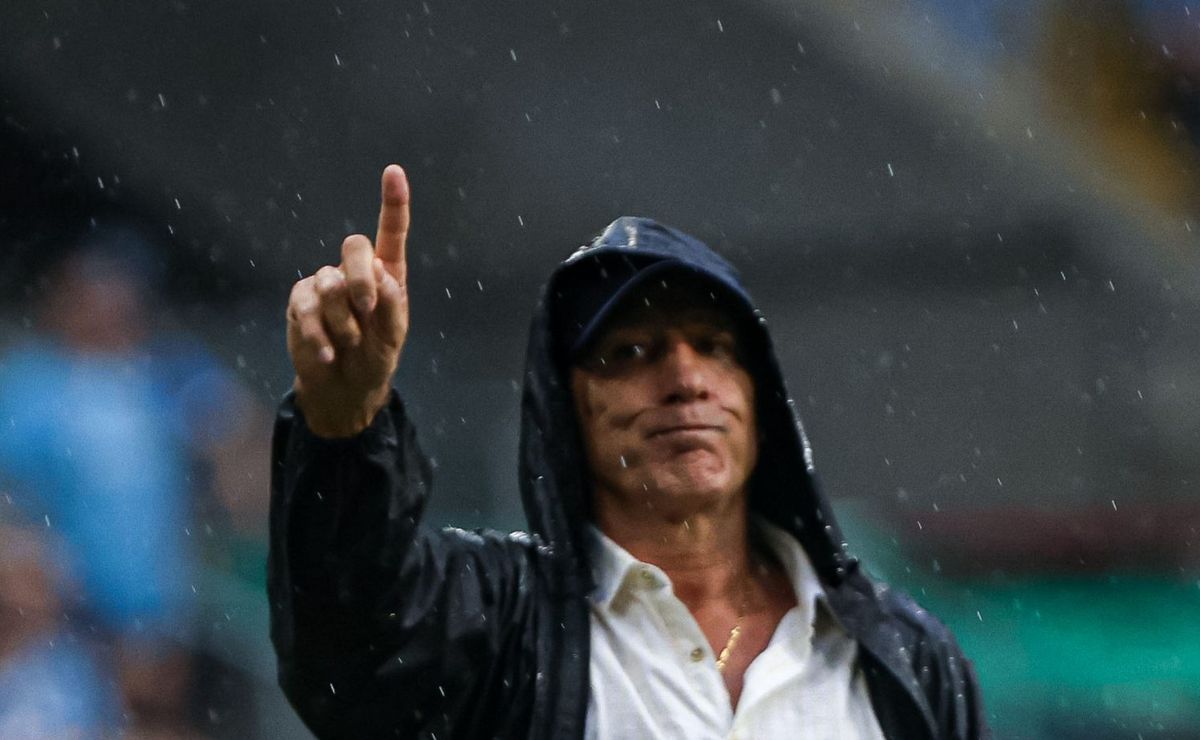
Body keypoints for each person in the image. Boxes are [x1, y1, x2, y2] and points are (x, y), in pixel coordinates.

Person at [269, 165, 989, 739]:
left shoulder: (906, 660)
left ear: (759, 397)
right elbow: (348, 648)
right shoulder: (499, 623)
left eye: (714, 346)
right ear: (570, 412)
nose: (685, 379)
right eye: (631, 352)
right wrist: (345, 421)